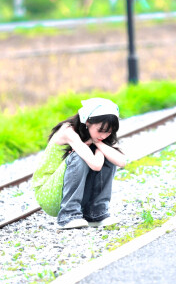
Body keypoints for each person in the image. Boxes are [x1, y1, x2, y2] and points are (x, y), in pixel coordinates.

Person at [32, 98, 126, 229]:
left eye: (109, 132)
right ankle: (68, 215)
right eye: (101, 130)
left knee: (109, 155)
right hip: (49, 193)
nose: (104, 135)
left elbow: (121, 161)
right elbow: (96, 165)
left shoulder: (99, 137)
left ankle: (96, 214)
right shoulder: (68, 131)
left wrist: (97, 143)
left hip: (73, 191)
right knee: (79, 157)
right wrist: (99, 147)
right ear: (87, 122)